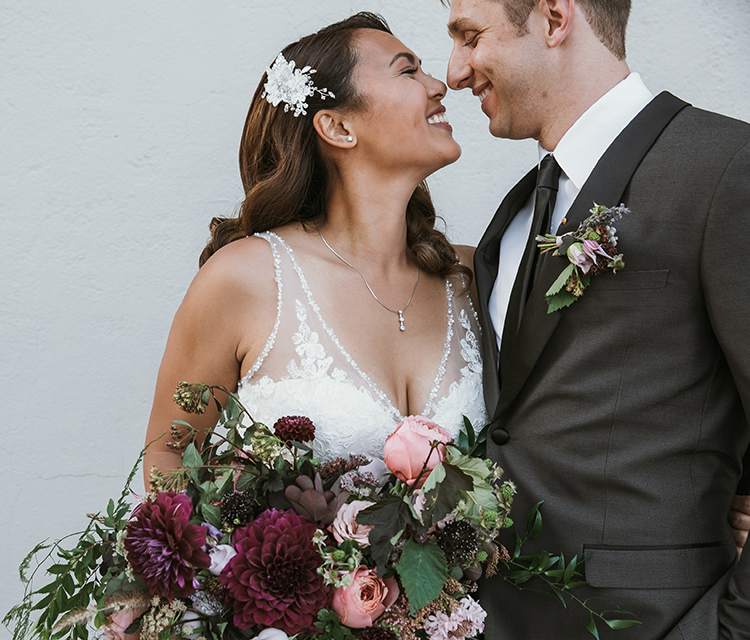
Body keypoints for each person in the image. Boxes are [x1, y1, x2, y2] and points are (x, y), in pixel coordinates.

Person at [443, 0, 750, 637]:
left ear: (555, 19)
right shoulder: (517, 215)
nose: (454, 71)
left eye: (471, 37)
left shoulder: (727, 167)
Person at [143, 12, 487, 487]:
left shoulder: (474, 275)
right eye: (408, 71)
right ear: (338, 127)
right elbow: (169, 454)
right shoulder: (245, 279)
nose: (438, 85)